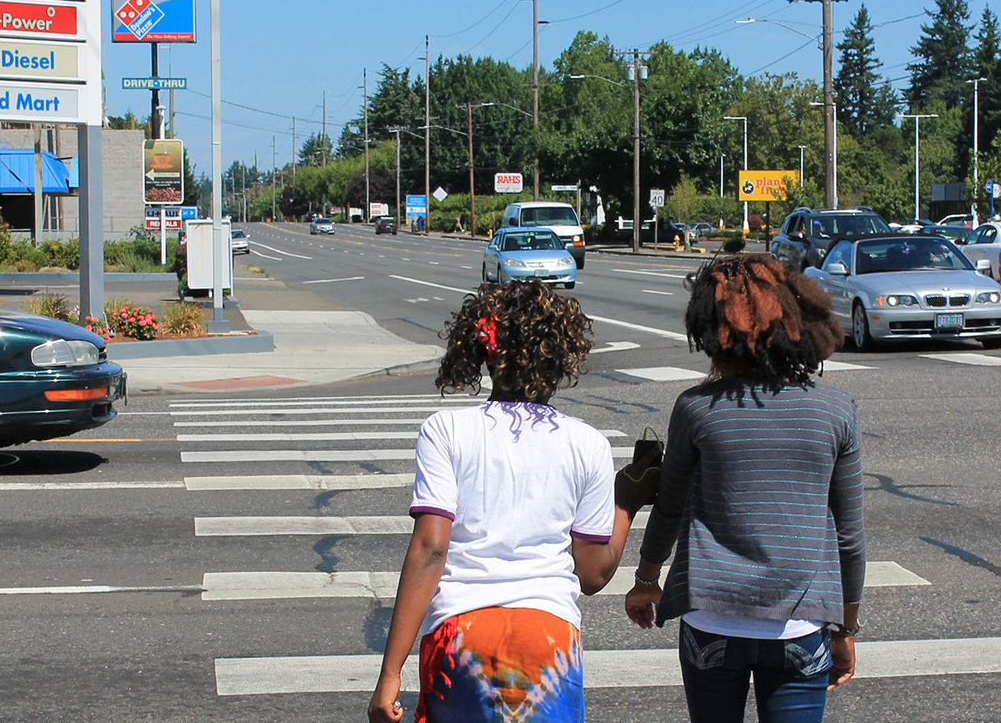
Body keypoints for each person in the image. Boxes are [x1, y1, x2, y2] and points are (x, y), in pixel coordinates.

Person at [368, 279, 659, 723]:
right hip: (548, 639)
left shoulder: (445, 431)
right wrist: (627, 504)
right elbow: (592, 572)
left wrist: (390, 673)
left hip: (459, 635)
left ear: (484, 353)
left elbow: (431, 548)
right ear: (562, 357)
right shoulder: (588, 444)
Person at [624, 254, 865, 723]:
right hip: (799, 625)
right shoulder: (836, 410)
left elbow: (670, 507)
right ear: (797, 320)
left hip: (711, 623)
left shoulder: (696, 409)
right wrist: (846, 627)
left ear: (713, 329)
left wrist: (647, 579)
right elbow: (850, 538)